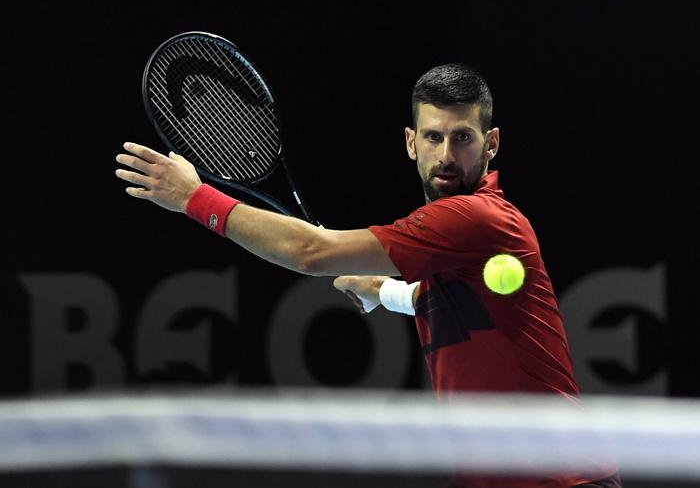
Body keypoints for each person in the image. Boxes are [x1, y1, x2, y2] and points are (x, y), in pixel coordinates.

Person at [115, 64, 621, 488]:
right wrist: (387, 291)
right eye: (433, 136)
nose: (446, 155)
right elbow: (462, 302)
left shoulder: (477, 217)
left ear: (490, 144)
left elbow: (311, 251)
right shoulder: (462, 240)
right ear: (410, 142)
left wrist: (193, 198)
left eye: (462, 138)